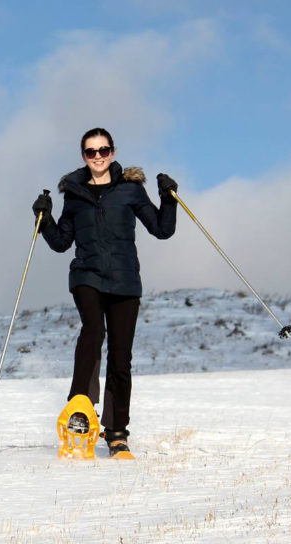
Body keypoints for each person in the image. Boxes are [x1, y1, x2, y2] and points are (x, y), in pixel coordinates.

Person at [32, 127, 178, 457]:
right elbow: (60, 243)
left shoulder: (130, 189)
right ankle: (80, 412)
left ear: (112, 152)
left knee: (120, 356)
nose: (98, 157)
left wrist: (168, 198)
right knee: (93, 331)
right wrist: (43, 218)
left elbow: (162, 229)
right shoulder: (74, 192)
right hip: (87, 276)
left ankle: (116, 433)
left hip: (125, 281)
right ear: (83, 156)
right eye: (91, 152)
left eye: (103, 150)